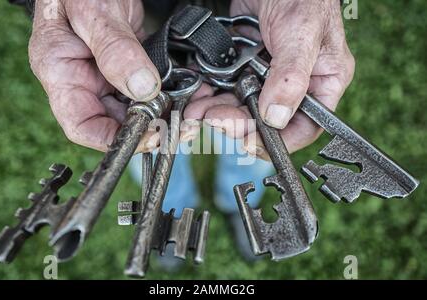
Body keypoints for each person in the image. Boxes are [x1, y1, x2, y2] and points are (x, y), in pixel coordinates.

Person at [21, 0, 355, 265]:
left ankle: (240, 203)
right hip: (138, 27)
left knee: (250, 141)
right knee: (150, 140)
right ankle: (172, 211)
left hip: (255, 30)